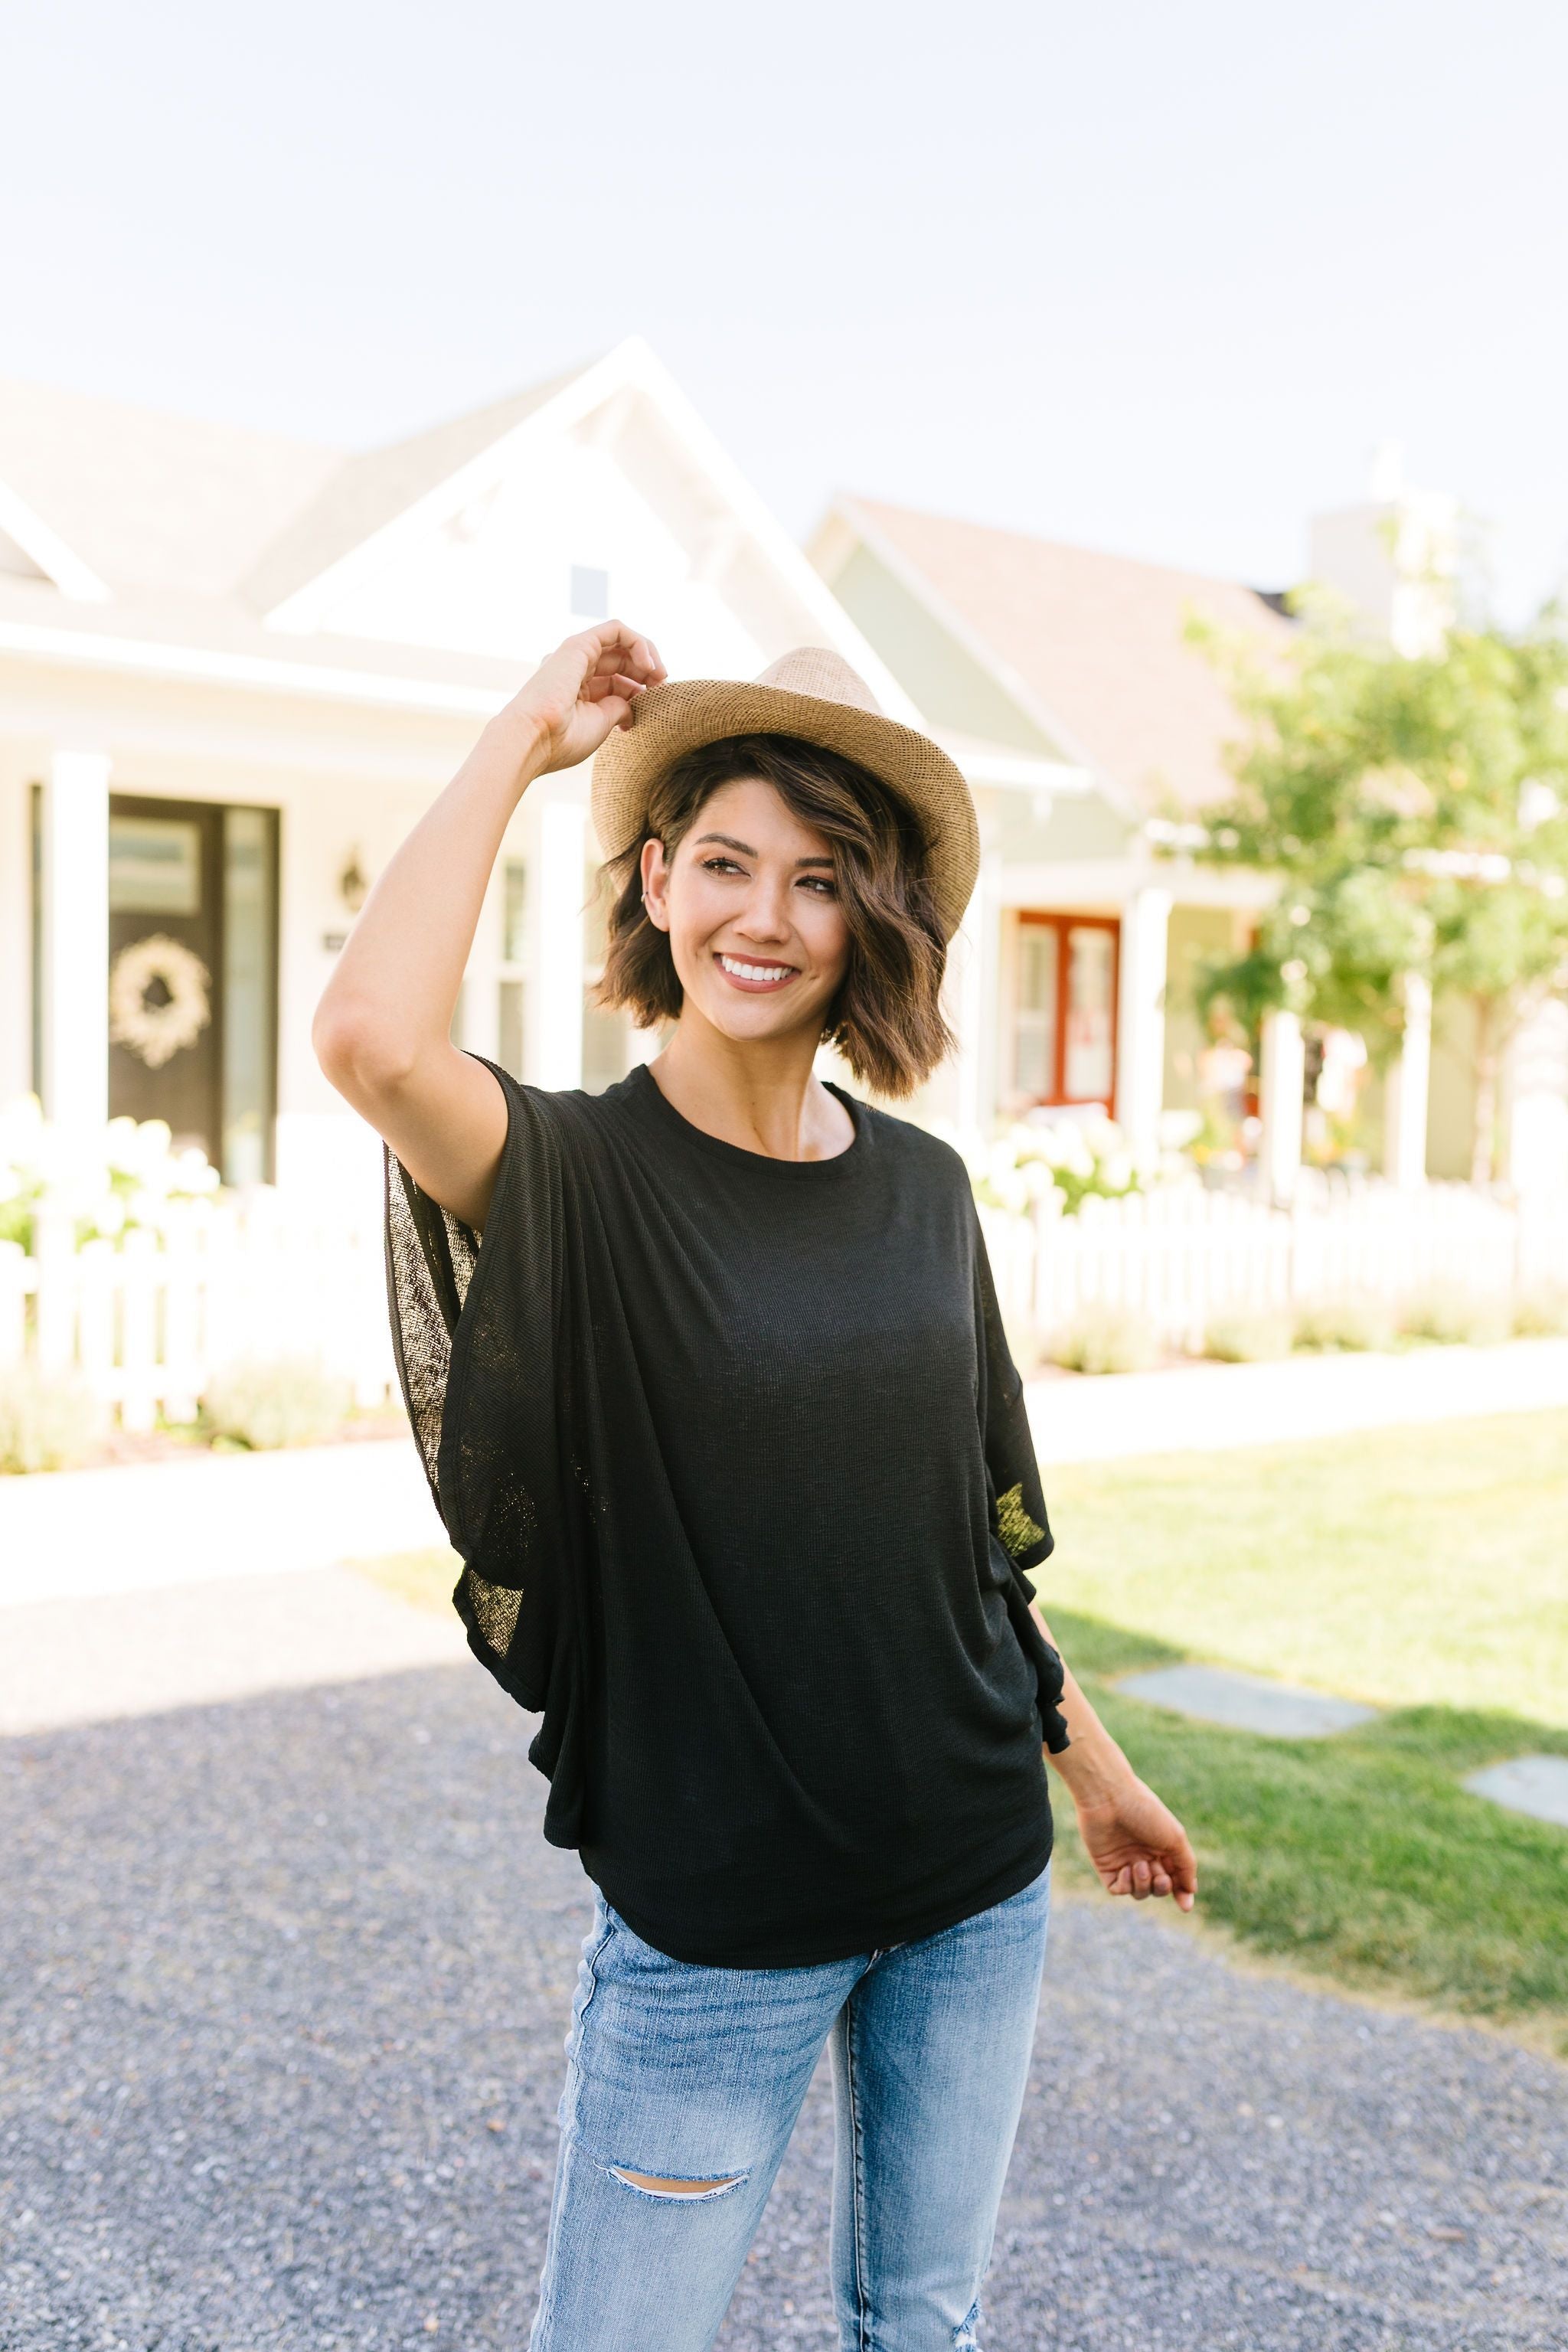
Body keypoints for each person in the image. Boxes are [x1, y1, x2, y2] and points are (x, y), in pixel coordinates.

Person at [312, 621, 1197, 2352]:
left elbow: (964, 1551)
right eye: (723, 863)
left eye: (817, 878)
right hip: (722, 1929)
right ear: (654, 882)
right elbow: (365, 1038)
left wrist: (1095, 1772)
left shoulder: (928, 1192)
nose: (763, 918)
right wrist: (518, 736)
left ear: (873, 918)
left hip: (971, 1888)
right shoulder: (570, 1176)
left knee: (920, 2327)